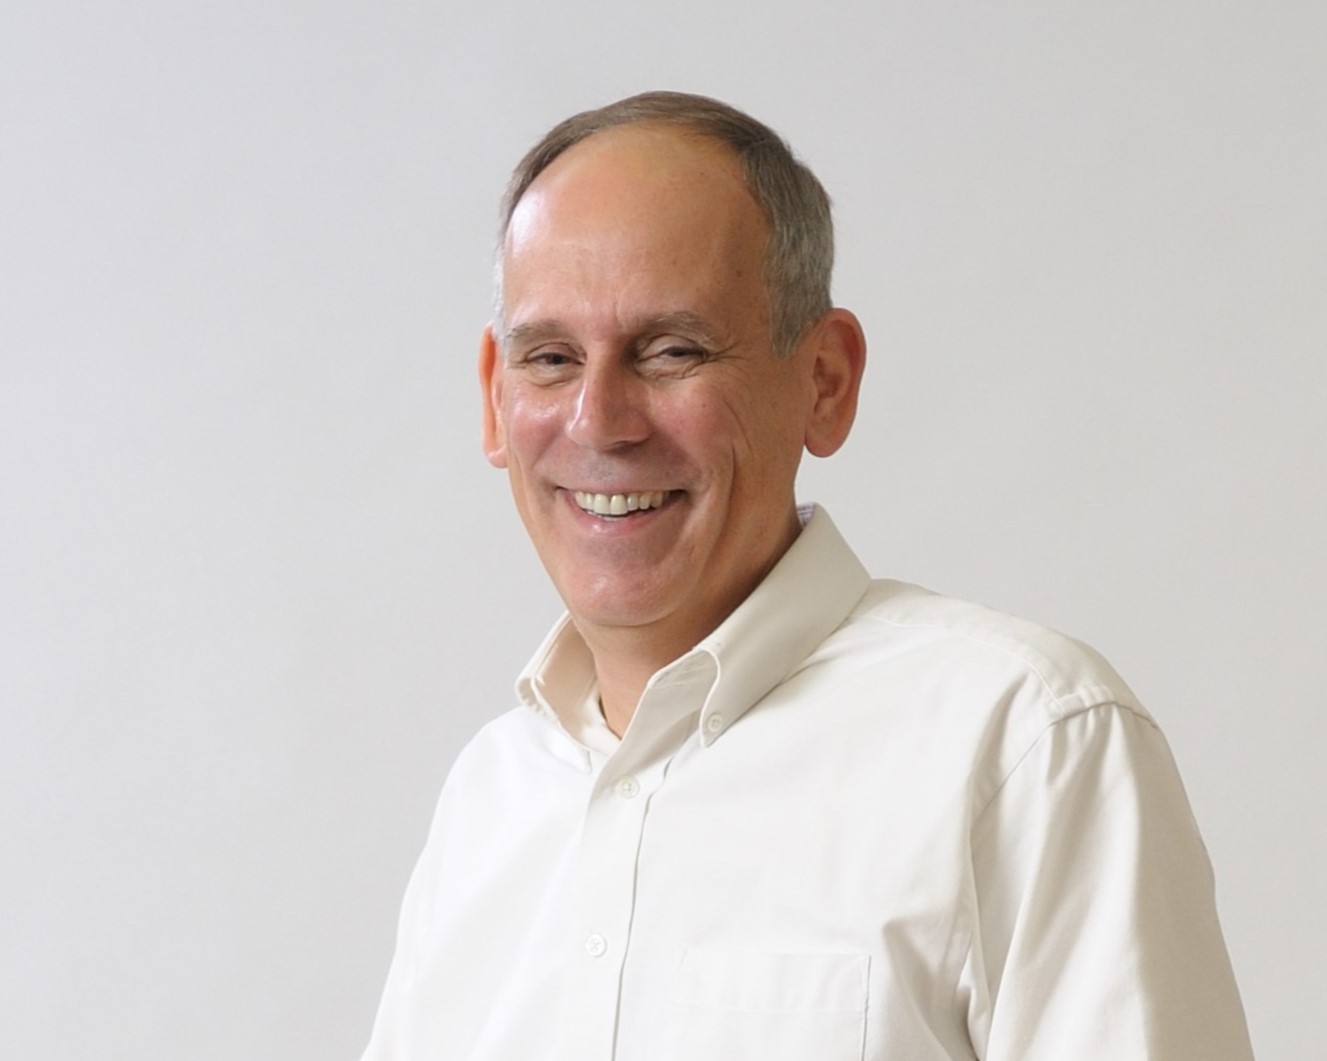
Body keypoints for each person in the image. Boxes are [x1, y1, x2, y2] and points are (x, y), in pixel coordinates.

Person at [361, 91, 1253, 1060]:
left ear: (824, 379)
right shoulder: (487, 800)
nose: (599, 419)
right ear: (494, 398)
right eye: (549, 357)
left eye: (671, 350)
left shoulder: (1023, 745)